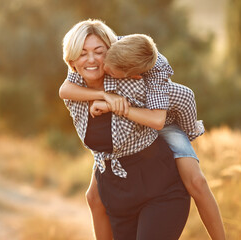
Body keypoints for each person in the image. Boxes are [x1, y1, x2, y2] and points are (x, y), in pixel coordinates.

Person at [60, 32, 226, 240]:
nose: (105, 72)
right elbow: (65, 89)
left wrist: (116, 107)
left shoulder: (156, 73)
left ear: (134, 76)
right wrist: (104, 95)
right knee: (93, 196)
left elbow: (158, 119)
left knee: (196, 181)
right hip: (126, 129)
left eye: (112, 72)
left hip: (164, 120)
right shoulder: (104, 47)